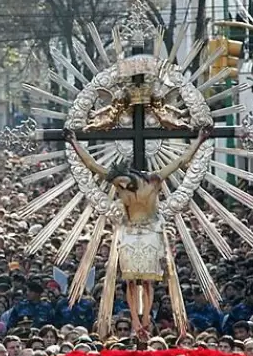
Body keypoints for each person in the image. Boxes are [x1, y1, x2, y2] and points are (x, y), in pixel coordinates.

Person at [63, 125, 212, 337]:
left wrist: (198, 140)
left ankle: (146, 318)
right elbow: (92, 165)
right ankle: (135, 320)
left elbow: (181, 161)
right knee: (131, 282)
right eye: (118, 183)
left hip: (150, 232)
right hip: (130, 234)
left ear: (131, 177)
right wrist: (74, 143)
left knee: (148, 281)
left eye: (122, 182)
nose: (119, 186)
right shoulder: (119, 182)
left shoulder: (154, 180)